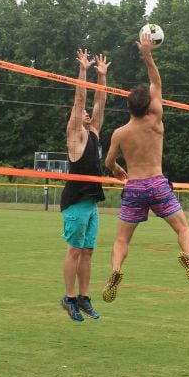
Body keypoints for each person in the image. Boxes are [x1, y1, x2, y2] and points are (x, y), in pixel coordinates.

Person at [102, 31, 189, 302]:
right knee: (183, 229)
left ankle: (115, 271)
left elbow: (109, 162)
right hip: (157, 183)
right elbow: (155, 81)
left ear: (128, 105)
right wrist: (147, 55)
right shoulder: (155, 119)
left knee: (122, 240)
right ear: (149, 105)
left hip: (134, 186)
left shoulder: (120, 133)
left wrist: (116, 169)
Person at [59, 49, 110, 322]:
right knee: (74, 250)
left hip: (91, 204)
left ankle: (84, 296)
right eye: (82, 114)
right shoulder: (75, 137)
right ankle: (68, 298)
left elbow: (99, 102)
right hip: (76, 202)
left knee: (88, 252)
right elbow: (80, 100)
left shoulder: (93, 133)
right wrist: (83, 71)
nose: (87, 113)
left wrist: (102, 77)